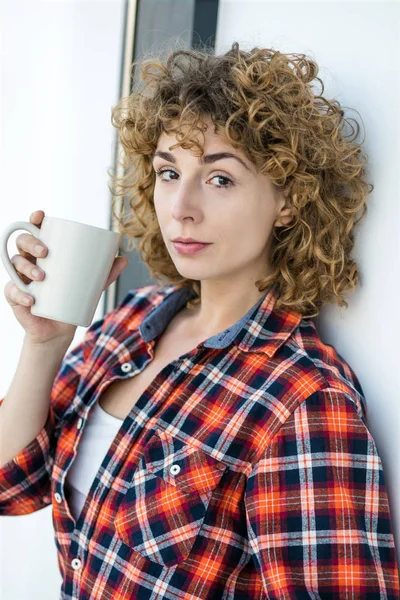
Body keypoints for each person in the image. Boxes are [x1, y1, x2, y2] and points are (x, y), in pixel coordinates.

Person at [1, 41, 399, 599]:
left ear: (287, 198)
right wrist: (44, 343)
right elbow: (10, 485)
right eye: (169, 172)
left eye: (219, 179)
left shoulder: (300, 399)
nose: (181, 206)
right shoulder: (129, 323)